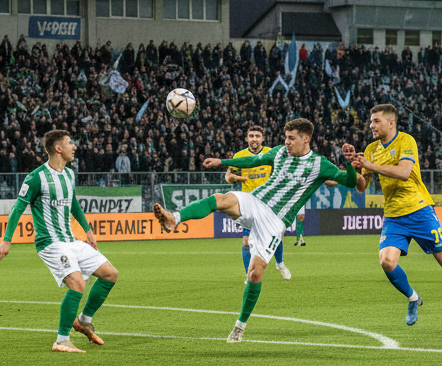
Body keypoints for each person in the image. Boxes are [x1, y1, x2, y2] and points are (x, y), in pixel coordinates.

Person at [153, 118, 358, 343]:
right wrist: (222, 161)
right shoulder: (279, 152)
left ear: (306, 139)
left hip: (275, 220)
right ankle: (175, 218)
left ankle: (239, 326)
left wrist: (349, 164)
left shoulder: (320, 164)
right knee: (221, 199)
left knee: (255, 273)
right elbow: (251, 160)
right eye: (286, 137)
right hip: (256, 200)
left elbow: (348, 181)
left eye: (291, 138)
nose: (287, 142)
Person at [345, 104, 442, 331]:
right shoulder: (371, 149)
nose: (371, 125)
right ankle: (413, 298)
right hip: (394, 216)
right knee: (386, 261)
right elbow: (362, 187)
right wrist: (353, 167)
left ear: (391, 123)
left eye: (376, 121)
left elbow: (404, 173)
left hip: (419, 210)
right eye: (371, 121)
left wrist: (370, 165)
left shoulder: (406, 141)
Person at [0, 129, 120, 353]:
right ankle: (62, 340)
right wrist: (6, 241)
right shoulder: (36, 177)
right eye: (70, 143)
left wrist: (88, 231)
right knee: (77, 283)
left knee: (110, 274)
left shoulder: (69, 175)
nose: (74, 146)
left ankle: (84, 320)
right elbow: (18, 208)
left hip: (70, 240)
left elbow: (73, 203)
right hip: (50, 243)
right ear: (58, 148)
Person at [223, 124, 290, 279]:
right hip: (248, 203)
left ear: (263, 138)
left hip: (269, 202)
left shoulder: (271, 153)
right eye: (251, 136)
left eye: (257, 136)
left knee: (276, 235)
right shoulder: (239, 156)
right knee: (246, 242)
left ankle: (279, 263)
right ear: (246, 139)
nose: (254, 139)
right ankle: (249, 275)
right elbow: (228, 177)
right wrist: (236, 178)